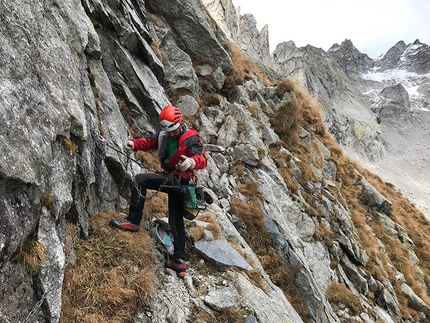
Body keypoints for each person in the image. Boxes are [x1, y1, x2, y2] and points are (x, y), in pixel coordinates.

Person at [109, 105, 207, 278]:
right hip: (174, 179)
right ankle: (179, 261)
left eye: (173, 131)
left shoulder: (191, 137)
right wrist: (134, 144)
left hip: (181, 180)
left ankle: (133, 221)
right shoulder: (165, 134)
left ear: (180, 123)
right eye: (168, 131)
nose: (171, 134)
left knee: (141, 180)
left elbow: (202, 159)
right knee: (175, 219)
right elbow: (150, 142)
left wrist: (191, 162)